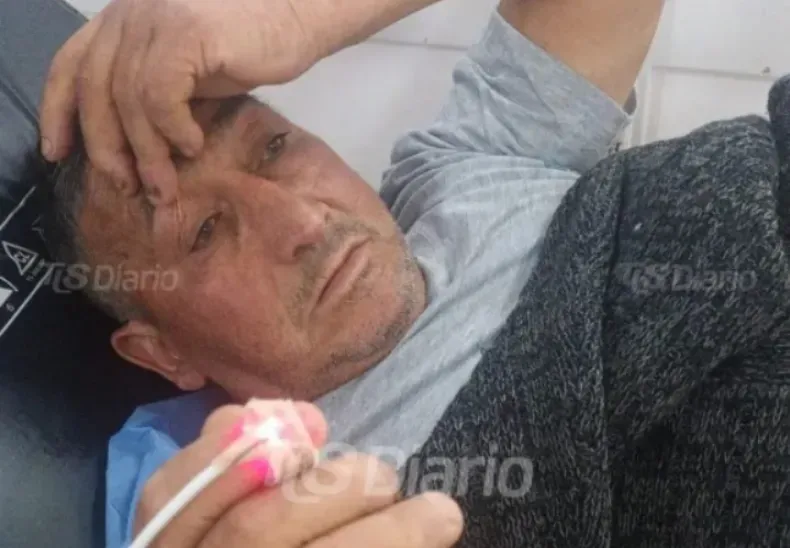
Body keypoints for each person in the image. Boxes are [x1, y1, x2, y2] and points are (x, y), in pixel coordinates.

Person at [36, 0, 665, 545]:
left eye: (273, 147)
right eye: (203, 232)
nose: (304, 222)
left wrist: (294, 17)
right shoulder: (284, 511)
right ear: (163, 353)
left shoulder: (468, 166)